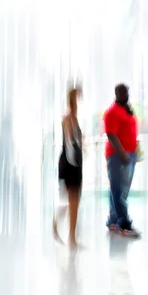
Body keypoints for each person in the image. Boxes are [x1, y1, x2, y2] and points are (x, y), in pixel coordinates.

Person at [103, 84, 140, 237]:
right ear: (116, 93)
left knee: (118, 189)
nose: (125, 94)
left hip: (129, 154)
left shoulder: (126, 110)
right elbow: (111, 134)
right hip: (118, 156)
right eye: (122, 92)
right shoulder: (112, 112)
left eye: (127, 91)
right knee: (119, 191)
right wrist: (123, 153)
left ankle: (113, 220)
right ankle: (124, 223)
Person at [53, 87, 83, 248]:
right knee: (70, 199)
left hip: (75, 162)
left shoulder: (74, 119)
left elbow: (77, 143)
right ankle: (57, 225)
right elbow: (71, 144)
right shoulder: (67, 119)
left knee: (74, 199)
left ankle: (72, 236)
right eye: (77, 99)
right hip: (70, 163)